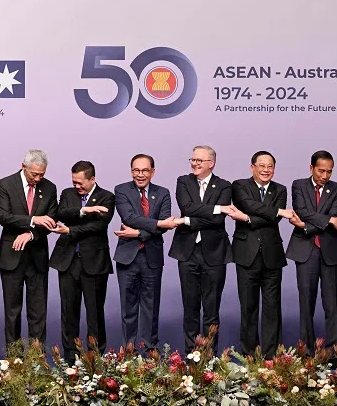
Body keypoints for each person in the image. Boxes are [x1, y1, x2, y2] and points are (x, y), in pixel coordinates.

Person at [168, 145, 235, 354]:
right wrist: (217, 208)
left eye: (199, 160)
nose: (194, 163)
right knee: (190, 309)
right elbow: (187, 207)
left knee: (211, 310)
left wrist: (186, 221)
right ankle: (191, 356)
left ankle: (209, 357)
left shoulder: (224, 186)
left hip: (214, 253)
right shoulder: (183, 181)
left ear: (211, 163)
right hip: (187, 253)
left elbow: (216, 221)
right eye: (193, 159)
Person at [230, 151, 293, 359]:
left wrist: (247, 219)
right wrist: (275, 211)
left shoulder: (281, 189)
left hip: (272, 256)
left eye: (270, 167)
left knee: (272, 308)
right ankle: (249, 355)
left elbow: (273, 220)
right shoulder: (239, 186)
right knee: (248, 308)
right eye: (262, 166)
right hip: (246, 255)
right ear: (252, 167)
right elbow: (247, 204)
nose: (266, 170)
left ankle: (270, 357)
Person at [49, 161, 114, 358]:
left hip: (94, 262)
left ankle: (95, 357)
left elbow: (99, 226)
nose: (76, 186)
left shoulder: (107, 197)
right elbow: (60, 213)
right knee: (69, 311)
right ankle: (71, 358)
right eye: (74, 182)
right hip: (68, 261)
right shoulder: (68, 194)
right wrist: (84, 210)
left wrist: (71, 229)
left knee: (94, 312)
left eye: (80, 183)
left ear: (92, 179)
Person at [113, 154, 177, 353]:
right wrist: (156, 224)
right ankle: (129, 350)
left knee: (151, 307)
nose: (140, 175)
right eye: (136, 170)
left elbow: (166, 225)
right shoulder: (121, 190)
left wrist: (139, 233)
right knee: (128, 308)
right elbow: (129, 217)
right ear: (131, 171)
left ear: (152, 171)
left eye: (144, 170)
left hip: (152, 258)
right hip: (127, 258)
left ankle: (150, 351)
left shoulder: (163, 193)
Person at [286, 150, 337, 354]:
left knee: (332, 305)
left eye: (329, 172)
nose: (325, 176)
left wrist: (305, 226)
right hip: (305, 250)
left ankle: (332, 353)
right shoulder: (298, 185)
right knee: (306, 303)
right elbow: (301, 210)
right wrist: (329, 221)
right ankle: (307, 351)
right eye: (321, 171)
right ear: (311, 168)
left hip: (328, 251)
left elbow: (334, 214)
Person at [0, 149, 58, 347]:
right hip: (12, 257)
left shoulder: (49, 188)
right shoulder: (5, 184)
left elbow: (51, 221)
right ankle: (14, 360)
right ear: (24, 167)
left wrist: (31, 233)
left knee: (38, 313)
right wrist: (33, 220)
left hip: (37, 257)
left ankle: (37, 361)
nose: (38, 178)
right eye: (34, 174)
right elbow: (4, 217)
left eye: (42, 174)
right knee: (12, 312)